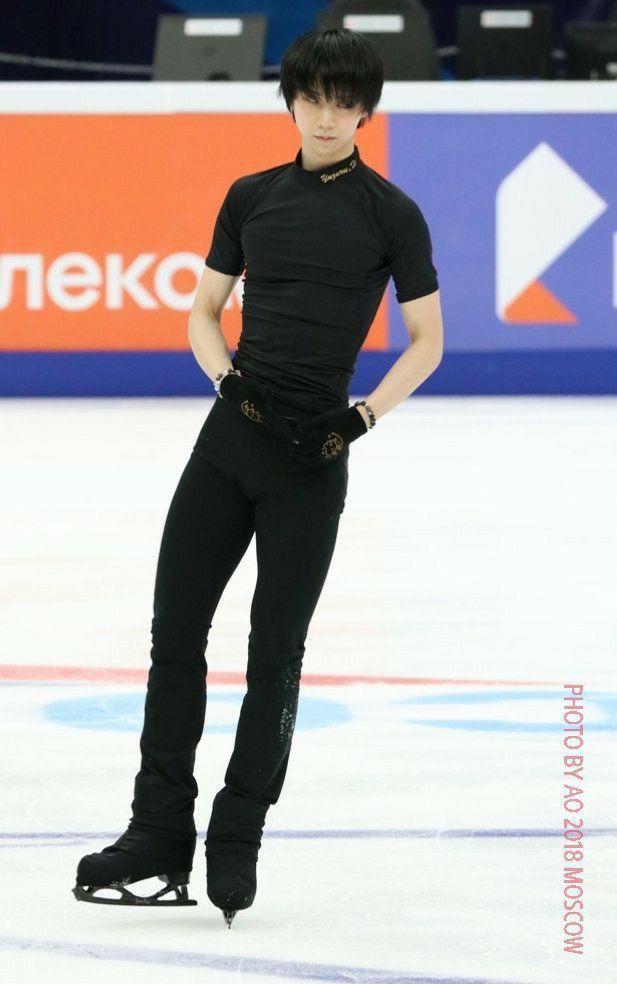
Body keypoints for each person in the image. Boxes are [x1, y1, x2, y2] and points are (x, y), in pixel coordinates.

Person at [72, 26, 443, 928]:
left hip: (311, 461)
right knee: (174, 638)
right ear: (290, 101)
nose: (324, 114)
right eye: (310, 97)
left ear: (365, 109)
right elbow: (203, 313)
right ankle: (158, 830)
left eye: (341, 100)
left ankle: (235, 837)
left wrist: (360, 419)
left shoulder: (390, 214)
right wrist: (225, 378)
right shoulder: (250, 196)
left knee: (273, 659)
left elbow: (427, 341)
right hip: (226, 443)